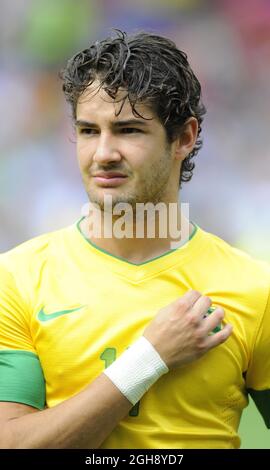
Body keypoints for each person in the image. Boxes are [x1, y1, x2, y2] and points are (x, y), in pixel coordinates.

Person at [0, 30, 269, 450]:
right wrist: (150, 359)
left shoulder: (254, 289)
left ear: (184, 138)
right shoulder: (16, 279)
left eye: (127, 130)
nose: (103, 152)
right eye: (89, 131)